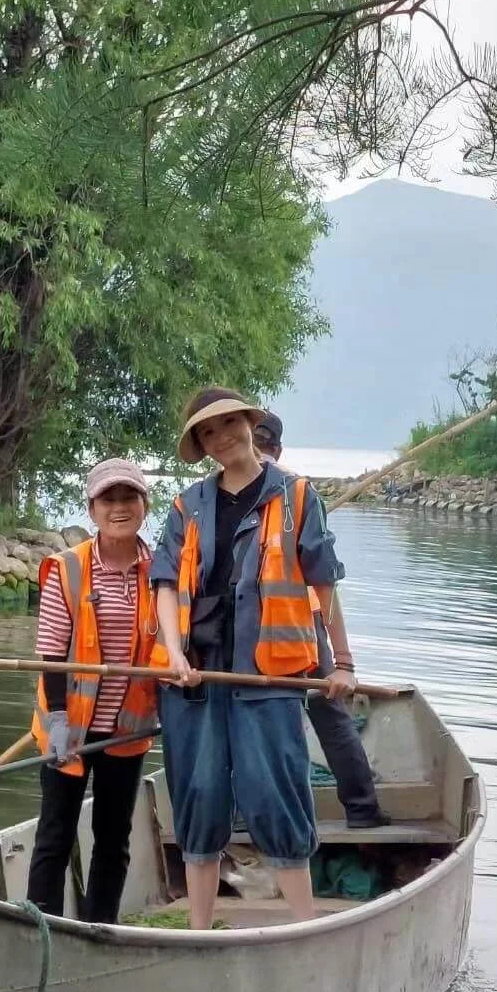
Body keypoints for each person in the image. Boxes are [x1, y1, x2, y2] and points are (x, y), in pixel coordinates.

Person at [150, 387, 354, 929]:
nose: (222, 439)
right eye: (208, 434)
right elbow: (166, 583)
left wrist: (342, 662)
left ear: (248, 423)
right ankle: (198, 928)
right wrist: (172, 653)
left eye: (228, 425)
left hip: (268, 675)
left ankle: (305, 924)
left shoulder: (298, 496)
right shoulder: (187, 505)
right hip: (195, 676)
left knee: (276, 791)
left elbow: (323, 587)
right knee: (198, 794)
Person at [24, 458, 159, 925]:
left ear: (145, 504)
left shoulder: (162, 570)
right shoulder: (68, 569)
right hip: (70, 728)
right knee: (55, 834)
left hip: (127, 730)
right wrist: (58, 719)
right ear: (92, 507)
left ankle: (100, 929)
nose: (118, 507)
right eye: (108, 499)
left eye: (128, 497)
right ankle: (40, 930)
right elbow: (52, 653)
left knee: (113, 836)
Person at [252, 412, 391, 829]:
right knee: (311, 718)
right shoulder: (295, 491)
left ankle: (356, 810)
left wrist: (344, 659)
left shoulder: (287, 492)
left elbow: (323, 578)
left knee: (291, 719)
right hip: (277, 629)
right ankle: (360, 811)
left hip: (285, 628)